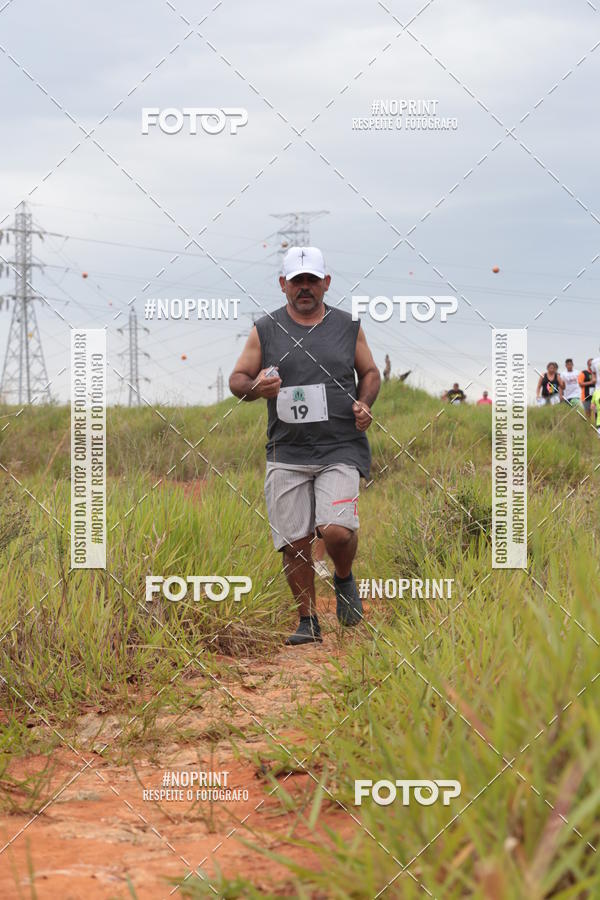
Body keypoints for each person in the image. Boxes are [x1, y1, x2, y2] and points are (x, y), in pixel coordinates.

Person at [229, 246, 381, 646]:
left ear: (326, 283)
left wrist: (364, 404)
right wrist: (256, 388)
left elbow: (369, 372)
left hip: (341, 448)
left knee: (335, 530)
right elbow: (237, 380)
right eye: (297, 281)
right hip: (287, 452)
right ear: (283, 285)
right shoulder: (265, 329)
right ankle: (308, 621)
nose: (305, 288)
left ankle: (344, 578)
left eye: (312, 280)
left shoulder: (348, 327)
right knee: (294, 541)